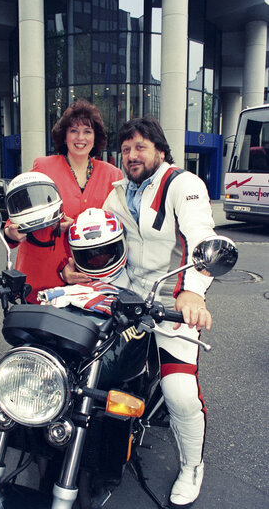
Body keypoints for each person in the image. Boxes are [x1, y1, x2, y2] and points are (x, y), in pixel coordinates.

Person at [64, 116, 215, 508]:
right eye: (126, 148)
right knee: (82, 357)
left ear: (160, 151)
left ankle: (192, 465)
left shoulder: (184, 185)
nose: (132, 155)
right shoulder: (118, 191)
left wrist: (192, 295)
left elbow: (201, 239)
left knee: (180, 392)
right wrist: (77, 269)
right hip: (127, 294)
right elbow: (103, 238)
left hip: (171, 299)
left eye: (141, 147)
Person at [4, 99, 122, 302]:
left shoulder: (113, 175)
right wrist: (11, 232)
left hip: (91, 278)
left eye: (87, 131)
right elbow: (19, 216)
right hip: (42, 275)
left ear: (96, 137)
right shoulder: (44, 167)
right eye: (74, 130)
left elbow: (120, 226)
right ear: (64, 136)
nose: (80, 138)